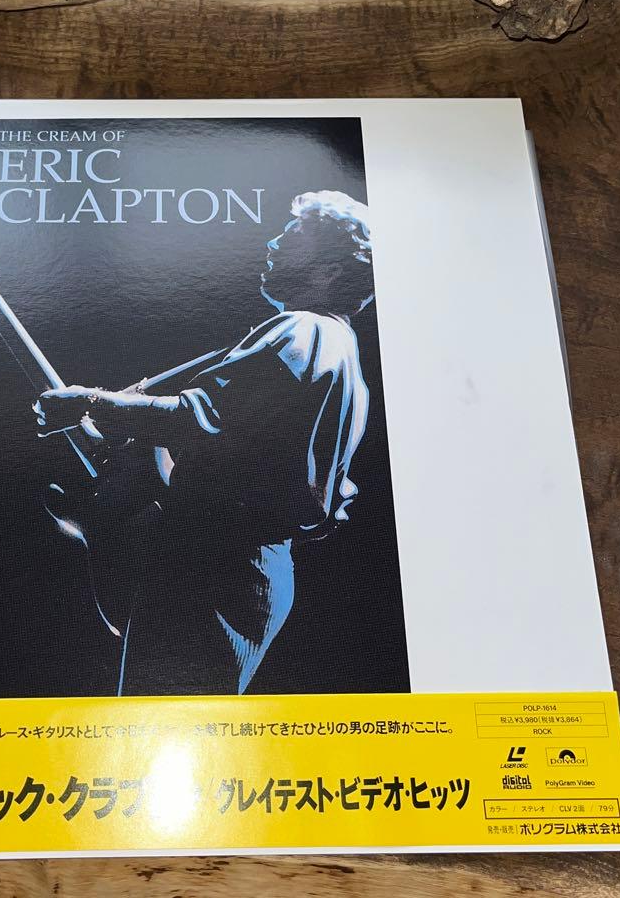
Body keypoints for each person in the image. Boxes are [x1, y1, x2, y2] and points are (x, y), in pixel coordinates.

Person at [34, 189, 375, 695]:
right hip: (241, 568)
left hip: (216, 568)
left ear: (327, 270)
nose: (274, 244)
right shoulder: (343, 356)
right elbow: (289, 484)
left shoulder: (303, 330)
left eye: (294, 235)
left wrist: (91, 403)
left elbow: (200, 418)